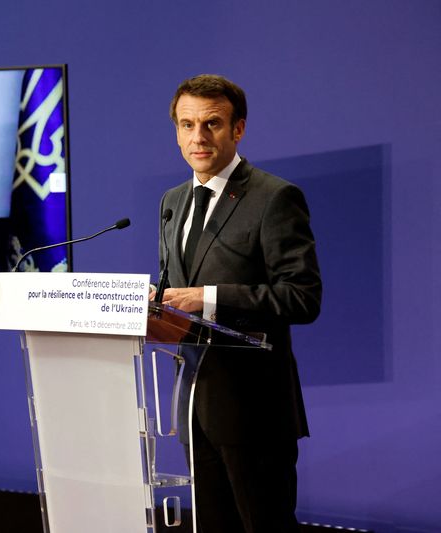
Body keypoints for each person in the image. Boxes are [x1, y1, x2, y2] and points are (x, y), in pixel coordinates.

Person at [151, 75, 322, 532]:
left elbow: (302, 297)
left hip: (255, 412)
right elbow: (176, 289)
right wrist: (151, 303)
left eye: (212, 124)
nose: (198, 137)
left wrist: (207, 298)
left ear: (238, 129)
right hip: (192, 406)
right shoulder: (173, 202)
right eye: (186, 125)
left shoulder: (273, 198)